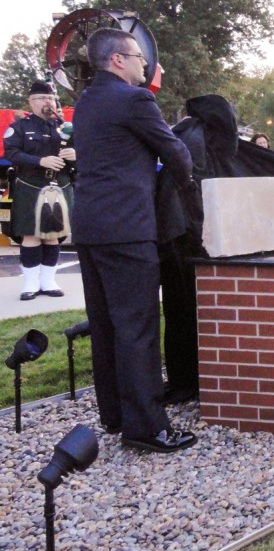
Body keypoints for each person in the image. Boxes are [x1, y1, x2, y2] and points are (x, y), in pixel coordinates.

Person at [72, 27, 197, 454]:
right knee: (138, 328)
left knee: (106, 325)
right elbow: (174, 150)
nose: (146, 64)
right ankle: (146, 427)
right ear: (118, 60)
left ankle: (116, 414)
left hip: (90, 228)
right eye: (140, 57)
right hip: (127, 229)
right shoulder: (134, 99)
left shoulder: (86, 101)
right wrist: (190, 188)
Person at [3, 81, 76, 300]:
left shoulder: (64, 127)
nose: (47, 102)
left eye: (51, 98)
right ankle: (30, 284)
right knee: (31, 237)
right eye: (42, 98)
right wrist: (40, 160)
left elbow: (84, 156)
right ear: (31, 102)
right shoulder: (20, 127)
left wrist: (76, 155)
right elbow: (12, 153)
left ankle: (48, 282)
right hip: (31, 186)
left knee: (53, 237)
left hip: (60, 185)